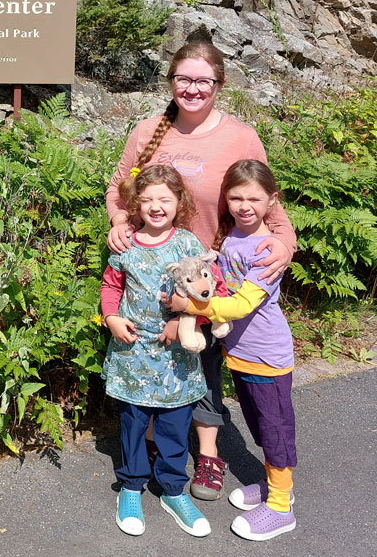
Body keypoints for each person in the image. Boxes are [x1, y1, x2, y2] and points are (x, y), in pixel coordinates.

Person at [105, 40, 296, 501]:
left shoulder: (240, 137)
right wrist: (117, 220)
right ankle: (154, 446)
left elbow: (266, 199)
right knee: (154, 357)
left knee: (204, 365)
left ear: (219, 84)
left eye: (202, 81)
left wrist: (286, 243)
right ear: (170, 81)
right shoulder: (148, 129)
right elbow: (118, 187)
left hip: (211, 278)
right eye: (182, 79)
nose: (192, 89)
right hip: (148, 273)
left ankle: (208, 455)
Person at [164, 160, 297, 541]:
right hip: (238, 355)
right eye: (235, 197)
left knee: (275, 430)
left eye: (254, 198)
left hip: (268, 357)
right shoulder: (230, 238)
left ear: (272, 200)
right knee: (258, 426)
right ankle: (272, 483)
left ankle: (281, 505)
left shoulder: (267, 249)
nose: (244, 205)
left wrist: (190, 307)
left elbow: (239, 305)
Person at [101, 164, 211, 538]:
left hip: (176, 355)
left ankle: (173, 489)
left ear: (179, 202)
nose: (156, 206)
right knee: (133, 422)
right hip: (132, 352)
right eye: (146, 200)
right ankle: (131, 486)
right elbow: (110, 285)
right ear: (135, 204)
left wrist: (182, 318)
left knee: (175, 424)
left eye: (164, 199)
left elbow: (210, 293)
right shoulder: (125, 242)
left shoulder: (189, 245)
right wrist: (111, 317)